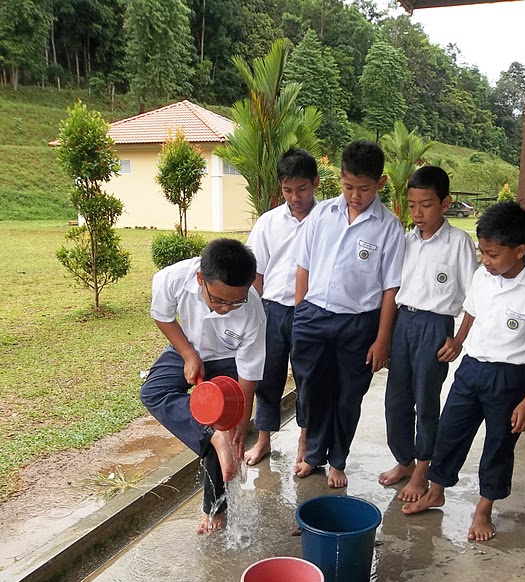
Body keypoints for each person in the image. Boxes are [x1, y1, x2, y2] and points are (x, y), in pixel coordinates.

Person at [402, 201, 525, 541]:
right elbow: (472, 312)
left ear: (520, 251)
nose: (485, 261)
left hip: (511, 378)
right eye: (482, 252)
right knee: (449, 433)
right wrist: (458, 341)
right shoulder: (482, 276)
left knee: (498, 445)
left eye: (492, 254)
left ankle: (483, 509)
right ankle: (437, 490)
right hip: (472, 369)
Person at [292, 139, 405, 488]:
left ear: (380, 184)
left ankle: (337, 459)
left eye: (364, 188)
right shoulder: (322, 215)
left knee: (347, 395)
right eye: (348, 186)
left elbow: (391, 288)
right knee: (310, 388)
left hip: (359, 323)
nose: (355, 195)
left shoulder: (389, 227)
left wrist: (382, 338)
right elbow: (303, 268)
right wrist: (299, 315)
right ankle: (312, 453)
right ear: (339, 178)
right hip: (314, 315)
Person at [140, 238, 266, 533]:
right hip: (189, 346)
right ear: (201, 279)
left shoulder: (253, 312)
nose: (226, 308)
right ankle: (213, 434)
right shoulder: (172, 279)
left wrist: (239, 420)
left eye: (236, 301)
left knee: (220, 419)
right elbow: (162, 316)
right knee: (154, 391)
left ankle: (215, 510)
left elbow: (248, 371)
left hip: (227, 358)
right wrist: (187, 354)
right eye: (218, 300)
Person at [379, 166, 478, 501]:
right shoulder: (405, 242)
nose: (418, 213)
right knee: (396, 400)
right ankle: (404, 459)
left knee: (426, 399)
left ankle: (422, 469)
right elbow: (391, 289)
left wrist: (458, 339)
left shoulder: (458, 243)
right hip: (402, 323)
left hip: (435, 326)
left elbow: (474, 298)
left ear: (445, 203)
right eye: (412, 205)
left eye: (427, 204)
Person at [244, 148, 319, 467]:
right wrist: (254, 317)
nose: (295, 197)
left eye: (301, 189)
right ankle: (263, 440)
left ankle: (305, 441)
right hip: (272, 311)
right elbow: (256, 273)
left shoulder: (328, 220)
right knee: (268, 377)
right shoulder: (268, 223)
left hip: (313, 312)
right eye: (288, 190)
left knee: (308, 379)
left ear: (315, 183)